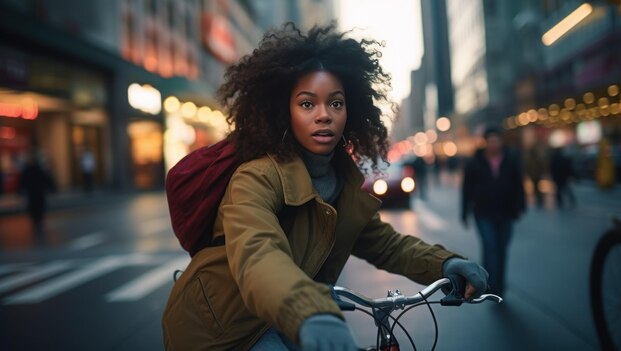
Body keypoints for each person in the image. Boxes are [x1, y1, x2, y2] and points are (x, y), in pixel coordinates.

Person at [162, 23, 489, 351]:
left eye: (336, 103)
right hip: (223, 330)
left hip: (289, 318)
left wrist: (445, 263)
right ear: (284, 111)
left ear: (351, 110)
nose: (324, 115)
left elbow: (386, 244)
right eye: (307, 104)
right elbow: (258, 255)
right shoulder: (257, 177)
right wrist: (313, 312)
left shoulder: (342, 183)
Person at [461, 127, 525, 297]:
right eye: (490, 140)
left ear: (501, 141)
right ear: (485, 142)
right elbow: (466, 189)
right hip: (483, 213)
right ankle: (490, 286)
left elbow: (518, 184)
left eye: (496, 140)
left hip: (506, 212)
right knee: (490, 247)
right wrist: (464, 212)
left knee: (502, 249)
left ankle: (500, 286)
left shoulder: (510, 159)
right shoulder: (475, 162)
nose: (494, 144)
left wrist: (520, 206)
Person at [18, 147, 56, 239]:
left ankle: (36, 222)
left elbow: (23, 182)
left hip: (34, 193)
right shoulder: (39, 169)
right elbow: (48, 180)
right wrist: (52, 188)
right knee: (39, 207)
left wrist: (20, 190)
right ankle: (38, 221)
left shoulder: (29, 170)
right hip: (39, 193)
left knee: (34, 207)